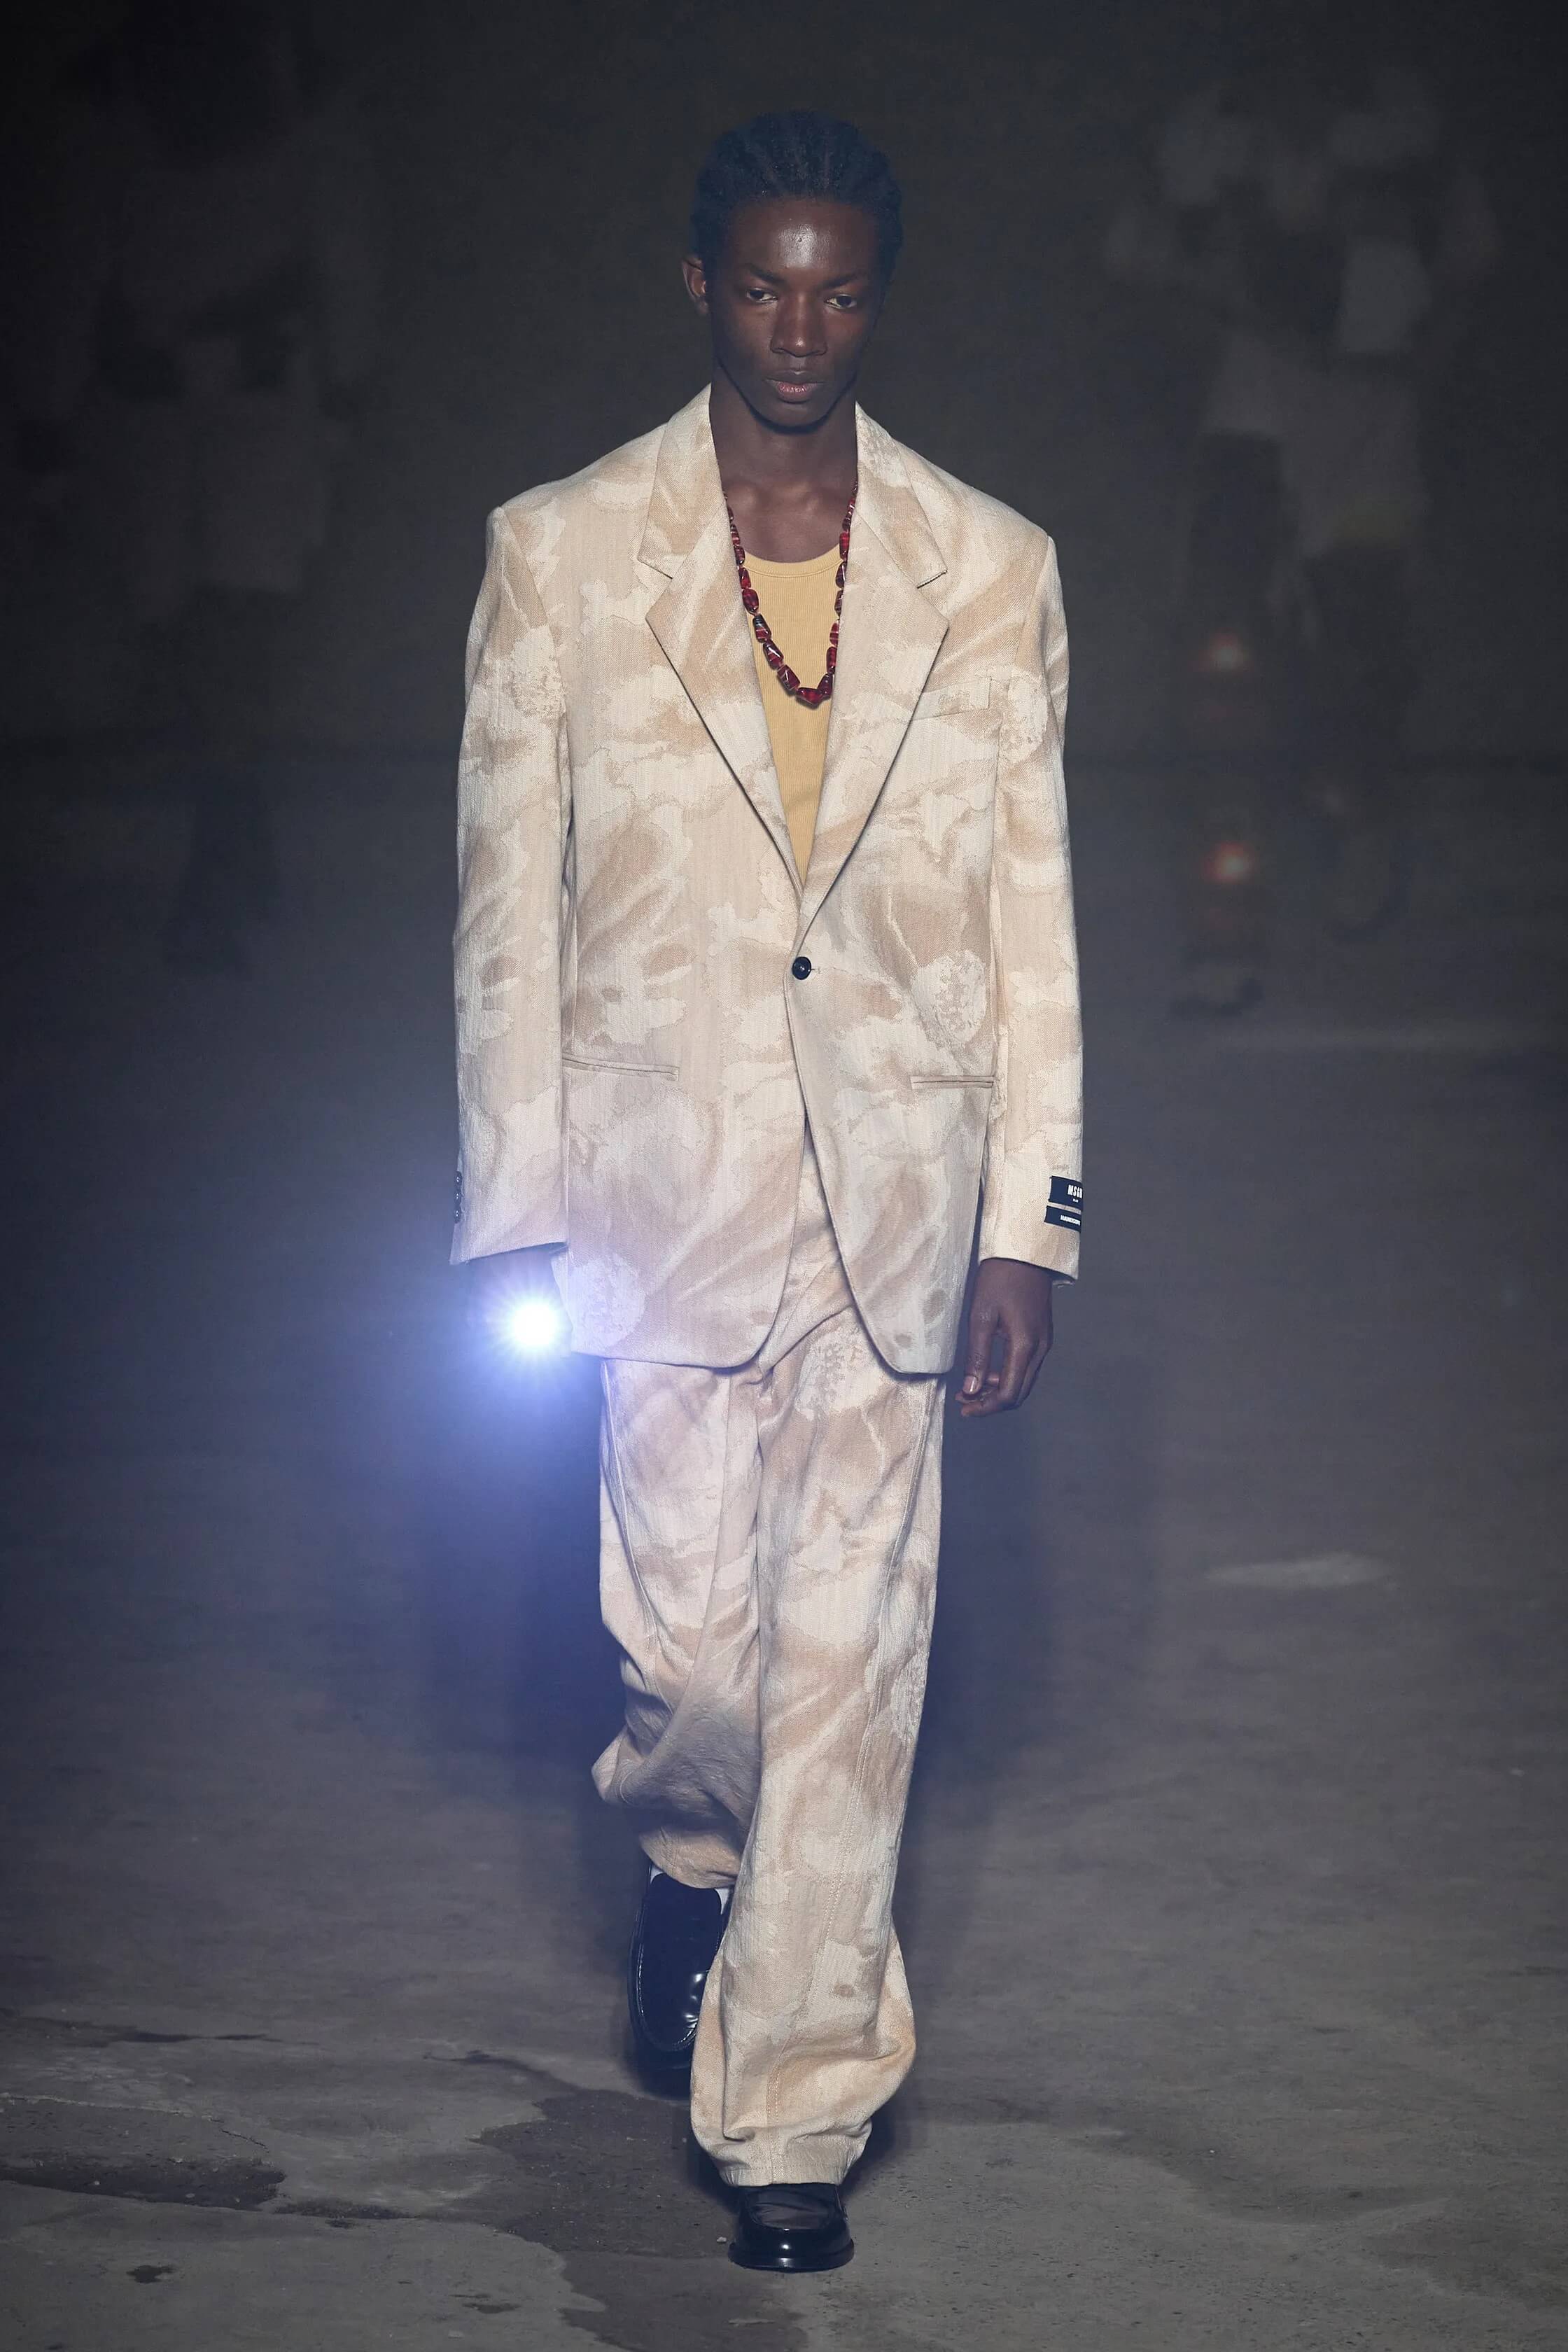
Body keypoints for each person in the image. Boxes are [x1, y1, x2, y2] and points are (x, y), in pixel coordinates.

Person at [454, 112, 1081, 2272]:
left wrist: (1029, 1221)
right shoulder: (559, 553)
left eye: (839, 290)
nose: (800, 329)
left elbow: (1028, 919)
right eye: (762, 285)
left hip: (899, 1194)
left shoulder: (987, 567)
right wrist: (515, 1212)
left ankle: (795, 2113)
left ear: (876, 299)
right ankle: (691, 1872)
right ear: (699, 286)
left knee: (849, 1670)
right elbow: (507, 919)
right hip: (653, 1196)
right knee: (692, 1669)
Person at [1106, 39, 1496, 1014]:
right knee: (1223, 659)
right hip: (1248, 413)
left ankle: (1352, 815)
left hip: (1374, 418)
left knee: (1362, 642)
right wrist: (1221, 358)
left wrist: (1405, 388)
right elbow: (1140, 277)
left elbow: (1466, 272)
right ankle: (1225, 930)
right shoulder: (1207, 129)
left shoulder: (1408, 122)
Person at [9, 1, 377, 971]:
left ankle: (215, 870)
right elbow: (69, 265)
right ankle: (235, 837)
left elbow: (344, 254)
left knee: (236, 628)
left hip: (263, 399)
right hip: (151, 411)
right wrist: (48, 426)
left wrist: (342, 400)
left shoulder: (304, 90)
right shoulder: (106, 96)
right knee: (178, 631)